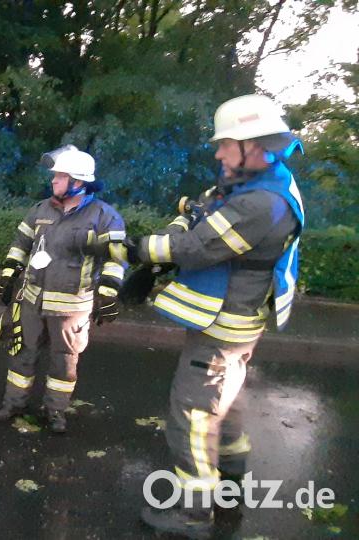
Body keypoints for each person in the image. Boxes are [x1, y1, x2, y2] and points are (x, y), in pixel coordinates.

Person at [130, 95, 305, 539]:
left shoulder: (260, 205)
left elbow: (196, 245)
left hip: (223, 328)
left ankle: (191, 515)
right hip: (233, 328)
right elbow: (191, 218)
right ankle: (230, 488)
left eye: (226, 144)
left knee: (191, 415)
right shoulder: (251, 187)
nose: (218, 153)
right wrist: (167, 245)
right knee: (224, 408)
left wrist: (140, 251)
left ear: (257, 146)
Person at [0, 146, 127, 433]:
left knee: (64, 362)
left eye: (60, 176)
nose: (53, 181)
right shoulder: (40, 210)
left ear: (78, 182)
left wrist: (109, 292)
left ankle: (55, 412)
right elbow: (20, 243)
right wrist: (9, 274)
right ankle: (13, 404)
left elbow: (117, 258)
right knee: (21, 354)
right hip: (32, 300)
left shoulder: (104, 216)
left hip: (71, 308)